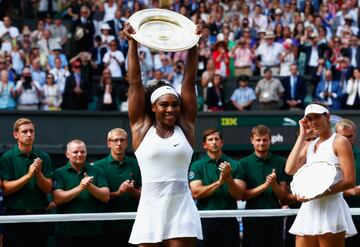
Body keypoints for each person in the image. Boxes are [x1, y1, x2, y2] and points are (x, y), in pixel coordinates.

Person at [123, 23, 202, 246]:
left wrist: (193, 45)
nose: (171, 109)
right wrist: (132, 43)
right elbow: (135, 81)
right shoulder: (140, 128)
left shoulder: (186, 127)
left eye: (175, 105)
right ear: (153, 107)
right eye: (164, 105)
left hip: (182, 209)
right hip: (150, 207)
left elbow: (189, 79)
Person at [285, 103, 357, 247]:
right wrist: (302, 135)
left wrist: (316, 194)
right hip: (309, 208)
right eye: (309, 119)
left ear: (327, 117)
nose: (313, 122)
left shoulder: (340, 142)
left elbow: (350, 181)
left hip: (331, 207)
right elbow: (289, 169)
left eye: (317, 117)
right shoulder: (310, 145)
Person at [0, 118, 52, 247]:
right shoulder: (6, 158)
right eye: (25, 131)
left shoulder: (44, 157)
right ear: (16, 134)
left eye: (31, 131)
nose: (29, 134)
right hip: (14, 215)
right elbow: (5, 189)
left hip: (39, 214)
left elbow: (48, 189)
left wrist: (38, 174)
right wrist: (28, 176)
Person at [189, 128, 244, 247]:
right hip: (205, 219)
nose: (214, 142)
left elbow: (239, 195)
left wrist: (229, 179)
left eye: (216, 139)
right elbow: (196, 193)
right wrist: (219, 182)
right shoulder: (197, 165)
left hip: (229, 219)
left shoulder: (235, 165)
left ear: (221, 142)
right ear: (204, 144)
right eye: (210, 139)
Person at [52, 139, 110, 247]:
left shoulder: (97, 171)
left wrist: (90, 186)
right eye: (75, 152)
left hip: (93, 231)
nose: (79, 154)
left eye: (83, 152)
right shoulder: (59, 173)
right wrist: (80, 187)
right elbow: (58, 198)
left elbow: (106, 196)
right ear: (67, 154)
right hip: (66, 231)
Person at [239, 125, 288, 247]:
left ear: (270, 140)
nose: (261, 143)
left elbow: (282, 196)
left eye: (265, 140)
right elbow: (242, 196)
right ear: (252, 140)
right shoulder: (243, 163)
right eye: (258, 140)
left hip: (275, 217)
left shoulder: (280, 162)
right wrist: (265, 185)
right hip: (252, 217)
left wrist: (273, 184)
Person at [93, 128, 141, 247]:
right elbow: (97, 197)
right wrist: (118, 193)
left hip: (133, 223)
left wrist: (131, 190)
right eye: (115, 140)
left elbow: (144, 196)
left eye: (122, 140)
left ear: (126, 142)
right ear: (108, 143)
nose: (119, 143)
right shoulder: (98, 166)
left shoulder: (136, 164)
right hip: (106, 223)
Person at [335, 119, 360, 247]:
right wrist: (348, 191)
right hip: (335, 217)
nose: (348, 140)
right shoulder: (328, 157)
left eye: (351, 136)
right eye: (344, 137)